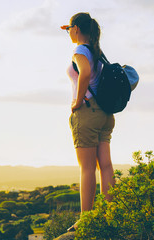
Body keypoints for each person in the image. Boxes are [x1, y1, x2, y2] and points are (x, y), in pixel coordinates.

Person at [61, 12, 115, 231]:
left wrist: (77, 101)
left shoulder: (80, 50)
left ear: (76, 29)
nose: (68, 33)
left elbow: (84, 73)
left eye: (68, 29)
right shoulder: (96, 50)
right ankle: (111, 213)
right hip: (104, 113)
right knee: (106, 166)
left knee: (86, 169)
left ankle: (87, 220)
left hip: (87, 113)